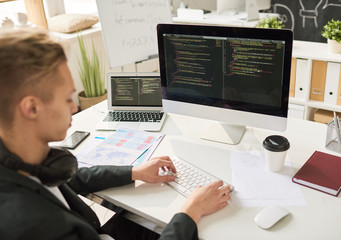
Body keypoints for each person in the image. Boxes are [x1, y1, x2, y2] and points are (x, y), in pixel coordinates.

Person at [0, 28, 231, 240]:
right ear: (31, 108)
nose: (75, 107)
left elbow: (72, 178)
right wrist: (192, 211)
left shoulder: (20, 158)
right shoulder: (32, 225)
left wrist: (134, 172)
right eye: (68, 98)